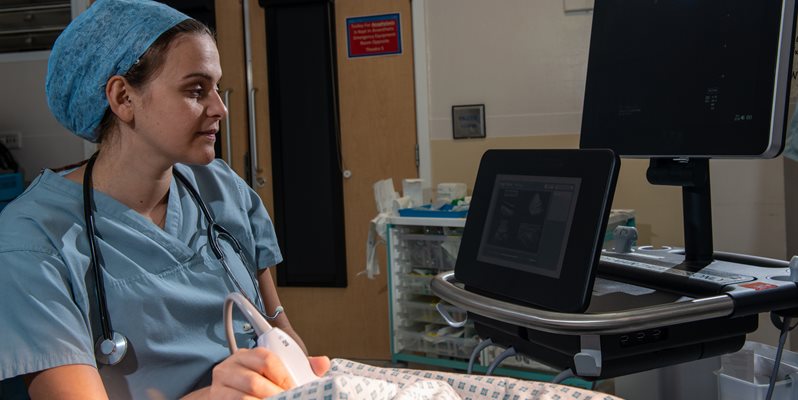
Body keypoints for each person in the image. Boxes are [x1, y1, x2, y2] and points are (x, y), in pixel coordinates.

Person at [0, 0, 329, 398]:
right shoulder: (33, 240)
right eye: (196, 90)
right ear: (123, 97)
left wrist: (306, 381)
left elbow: (279, 329)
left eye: (217, 88)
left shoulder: (221, 188)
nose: (220, 108)